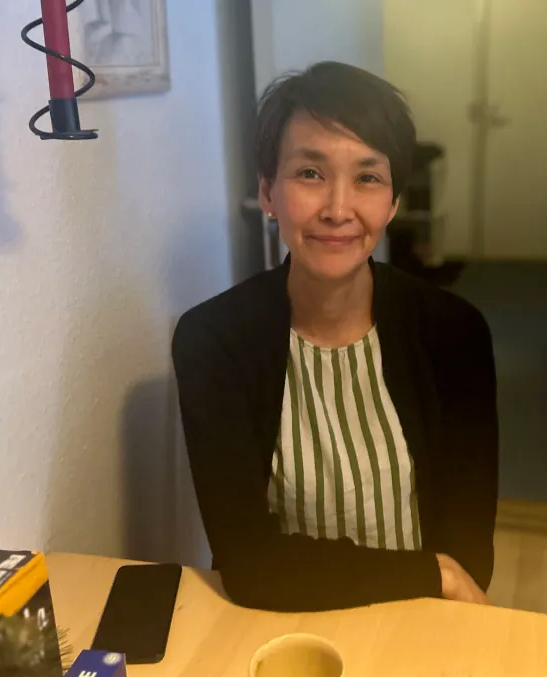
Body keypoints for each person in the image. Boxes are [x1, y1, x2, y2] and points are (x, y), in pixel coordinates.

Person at [172, 62, 498, 612]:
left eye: (368, 177)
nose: (338, 209)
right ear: (268, 192)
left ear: (393, 202)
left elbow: (469, 556)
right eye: (310, 173)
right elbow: (249, 566)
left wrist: (438, 578)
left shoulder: (453, 334)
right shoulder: (214, 342)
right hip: (281, 628)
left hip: (424, 622)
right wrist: (429, 572)